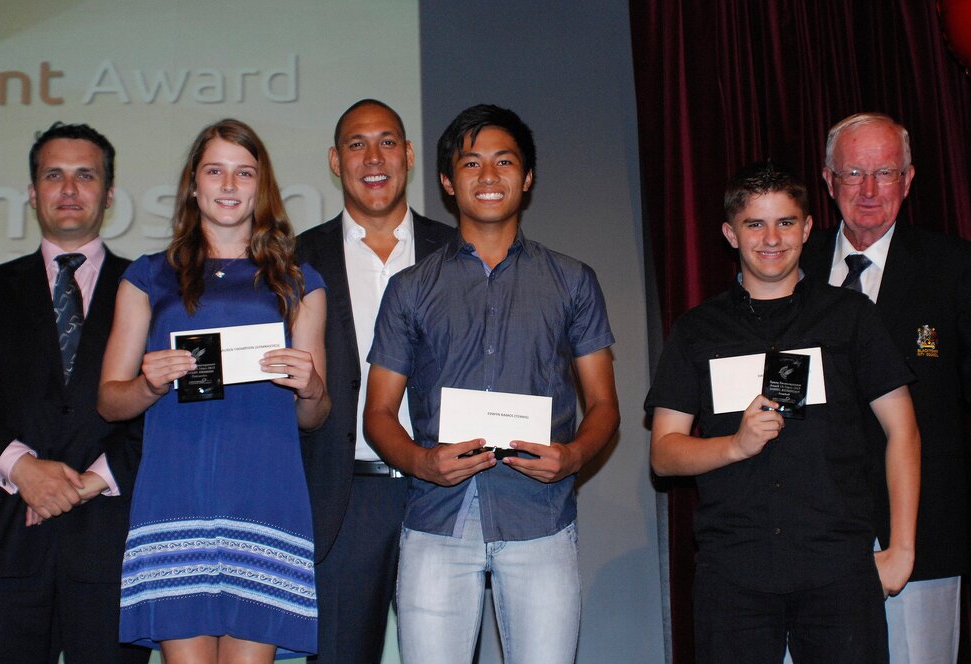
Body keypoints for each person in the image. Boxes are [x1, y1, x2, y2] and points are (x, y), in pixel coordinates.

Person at [364, 104, 619, 664]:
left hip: (540, 518)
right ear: (447, 182)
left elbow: (603, 404)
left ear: (526, 179)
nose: (487, 175)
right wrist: (421, 462)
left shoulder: (573, 281)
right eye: (471, 162)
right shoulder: (409, 289)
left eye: (504, 161)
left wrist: (573, 455)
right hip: (436, 518)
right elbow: (378, 413)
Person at [646, 160, 920, 663]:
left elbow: (903, 429)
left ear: (808, 227)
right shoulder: (696, 331)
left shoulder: (850, 317)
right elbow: (663, 454)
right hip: (734, 574)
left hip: (838, 569)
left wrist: (901, 548)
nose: (771, 238)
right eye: (755, 224)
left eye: (786, 222)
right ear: (731, 233)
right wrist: (734, 445)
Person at [98, 119, 330, 662]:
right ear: (193, 185)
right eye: (215, 171)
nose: (229, 185)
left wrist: (311, 386)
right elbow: (110, 400)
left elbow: (313, 416)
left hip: (265, 498)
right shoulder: (147, 277)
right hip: (176, 497)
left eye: (243, 172)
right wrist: (149, 383)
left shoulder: (298, 282)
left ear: (261, 186)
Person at [0, 122, 148, 663]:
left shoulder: (151, 288)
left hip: (114, 549)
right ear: (32, 193)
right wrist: (23, 468)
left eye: (85, 175)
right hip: (3, 550)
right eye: (54, 175)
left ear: (109, 194)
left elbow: (163, 407)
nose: (69, 189)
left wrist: (91, 482)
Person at [801, 112, 971, 663]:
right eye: (853, 173)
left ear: (910, 179)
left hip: (924, 535)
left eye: (885, 172)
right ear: (828, 182)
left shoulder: (954, 269)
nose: (869, 190)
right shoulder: (787, 266)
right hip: (811, 532)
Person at [294, 99, 454, 663]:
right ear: (336, 162)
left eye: (387, 141)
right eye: (356, 144)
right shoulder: (295, 259)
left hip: (446, 491)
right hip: (343, 496)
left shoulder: (457, 252)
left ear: (408, 154)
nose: (373, 157)